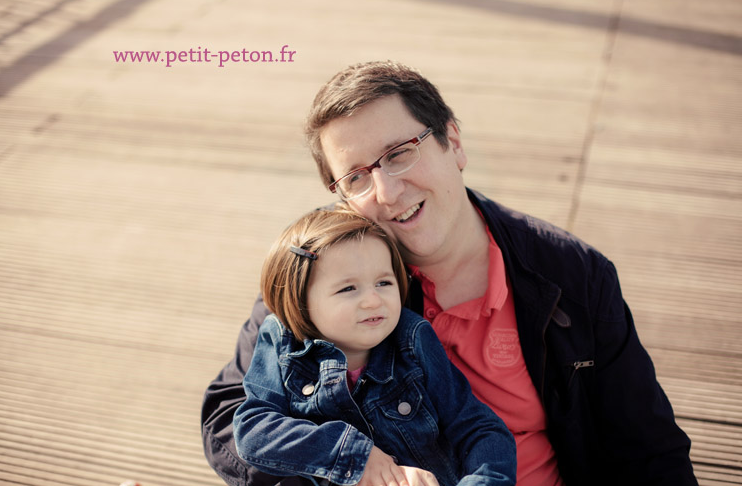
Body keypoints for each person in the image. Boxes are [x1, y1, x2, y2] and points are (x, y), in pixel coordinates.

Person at [202, 61, 697, 486]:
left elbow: (648, 450)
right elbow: (228, 422)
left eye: (399, 153)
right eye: (356, 176)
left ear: (453, 142)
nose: (388, 191)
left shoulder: (572, 274)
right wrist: (353, 470)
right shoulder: (320, 270)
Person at [232, 208, 516, 486]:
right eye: (348, 289)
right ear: (302, 300)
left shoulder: (412, 340)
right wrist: (356, 456)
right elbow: (255, 431)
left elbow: (480, 429)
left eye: (383, 282)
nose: (372, 300)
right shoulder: (281, 342)